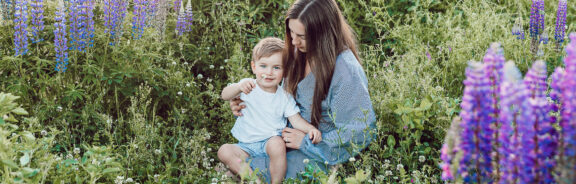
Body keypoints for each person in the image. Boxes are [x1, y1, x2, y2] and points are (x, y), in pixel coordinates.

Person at [229, 0, 377, 181]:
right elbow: (281, 97)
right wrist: (251, 102)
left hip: (318, 153)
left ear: (323, 34)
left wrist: (305, 142)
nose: (293, 41)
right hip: (277, 139)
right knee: (231, 159)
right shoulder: (298, 50)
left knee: (245, 172)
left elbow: (358, 130)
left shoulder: (345, 71)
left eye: (302, 36)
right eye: (291, 32)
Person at [218, 37, 322, 184]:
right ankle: (254, 180)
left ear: (284, 71)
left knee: (277, 144)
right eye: (263, 66)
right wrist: (238, 87)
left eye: (276, 68)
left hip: (269, 142)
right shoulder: (247, 86)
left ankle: (276, 182)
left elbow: (296, 120)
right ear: (254, 67)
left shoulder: (284, 96)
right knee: (224, 151)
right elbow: (224, 95)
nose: (269, 72)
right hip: (245, 145)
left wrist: (311, 129)